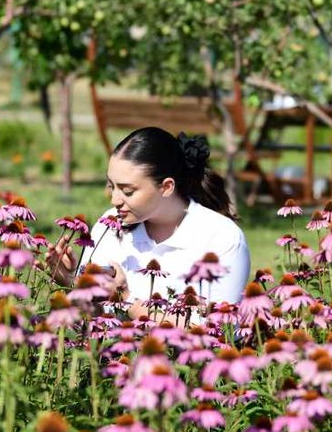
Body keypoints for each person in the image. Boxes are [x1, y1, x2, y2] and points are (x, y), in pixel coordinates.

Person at [48, 127, 251, 316]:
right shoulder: (109, 226)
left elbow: (218, 330)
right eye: (111, 186)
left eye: (128, 191)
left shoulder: (221, 238)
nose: (115, 200)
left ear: (166, 187)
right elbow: (93, 320)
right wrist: (71, 284)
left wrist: (126, 300)